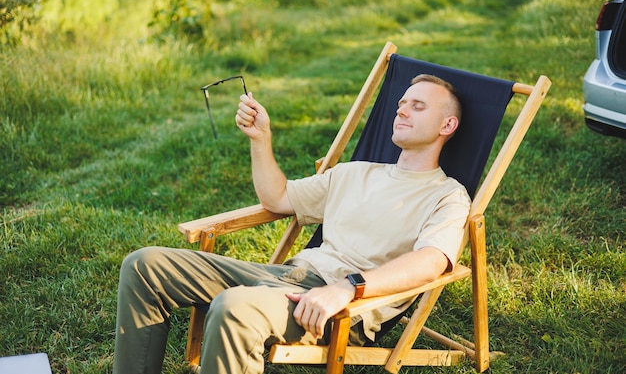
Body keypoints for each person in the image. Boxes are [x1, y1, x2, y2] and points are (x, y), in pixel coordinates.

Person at [113, 74, 471, 374]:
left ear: (447, 124)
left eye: (417, 106)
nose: (402, 110)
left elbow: (431, 261)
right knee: (144, 265)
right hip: (288, 277)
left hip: (339, 306)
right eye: (401, 105)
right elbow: (278, 198)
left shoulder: (447, 196)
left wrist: (348, 288)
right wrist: (261, 139)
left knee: (233, 308)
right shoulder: (354, 172)